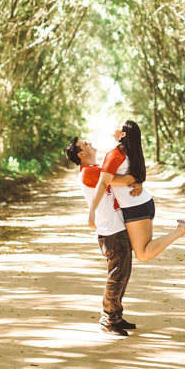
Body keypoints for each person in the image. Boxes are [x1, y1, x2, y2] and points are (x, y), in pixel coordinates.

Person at [88, 120, 185, 262]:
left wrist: (92, 211)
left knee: (143, 253)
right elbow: (118, 178)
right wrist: (126, 180)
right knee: (137, 249)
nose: (114, 125)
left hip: (135, 207)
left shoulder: (116, 154)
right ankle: (182, 229)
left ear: (123, 134)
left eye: (118, 126)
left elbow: (103, 182)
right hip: (140, 204)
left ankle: (182, 229)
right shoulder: (128, 153)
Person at [65, 136, 141, 336]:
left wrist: (135, 181)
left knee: (123, 273)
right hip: (110, 231)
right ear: (81, 154)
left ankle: (115, 315)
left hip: (115, 227)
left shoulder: (94, 168)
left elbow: (121, 183)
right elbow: (124, 179)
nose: (90, 143)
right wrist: (136, 177)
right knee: (117, 275)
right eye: (86, 144)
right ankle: (108, 319)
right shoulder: (89, 171)